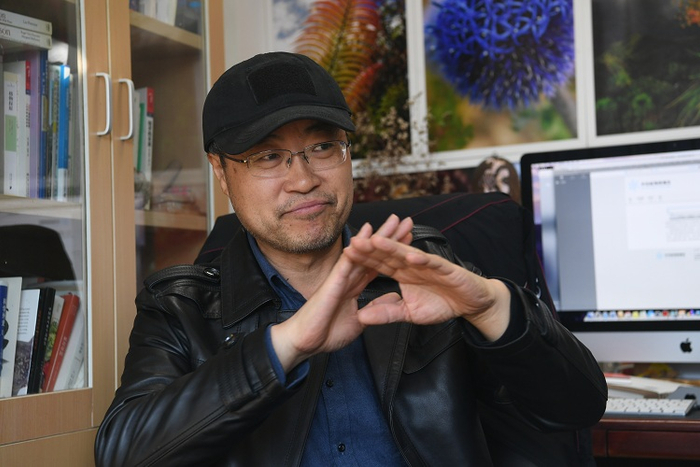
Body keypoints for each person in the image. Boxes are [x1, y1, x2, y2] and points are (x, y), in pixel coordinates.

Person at [95, 52, 607, 466]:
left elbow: (577, 407)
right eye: (268, 156)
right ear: (221, 173)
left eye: (323, 147)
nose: (303, 180)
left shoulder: (420, 267)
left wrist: (491, 307)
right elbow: (123, 454)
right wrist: (288, 344)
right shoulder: (180, 309)